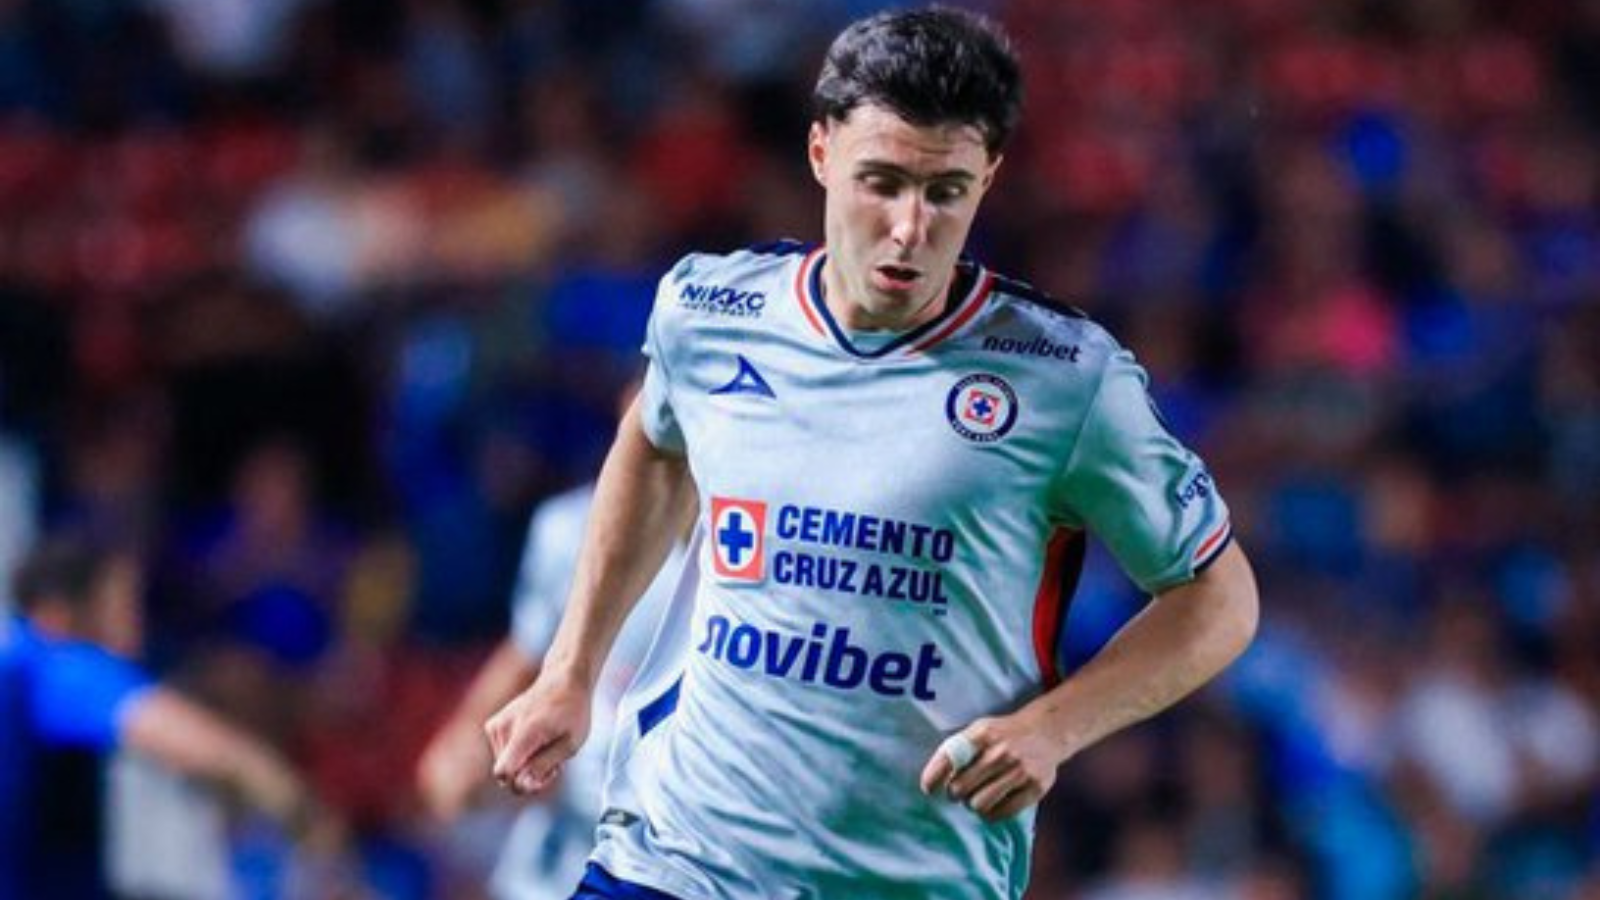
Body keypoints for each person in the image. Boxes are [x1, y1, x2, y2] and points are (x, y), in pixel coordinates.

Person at [486, 7, 1260, 899]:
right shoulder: (709, 313)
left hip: (909, 878)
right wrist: (570, 670)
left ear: (989, 178)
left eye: (946, 192)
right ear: (820, 154)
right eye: (880, 182)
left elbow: (1220, 595)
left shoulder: (1066, 380)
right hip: (675, 860)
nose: (908, 227)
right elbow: (654, 444)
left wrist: (1054, 729)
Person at [0, 535, 338, 899]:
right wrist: (307, 818)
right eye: (120, 607)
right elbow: (213, 752)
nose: (136, 628)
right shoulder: (53, 665)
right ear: (58, 615)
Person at [416, 473, 692, 899]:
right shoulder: (568, 526)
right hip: (559, 848)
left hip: (674, 849)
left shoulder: (750, 543)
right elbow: (528, 653)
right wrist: (467, 739)